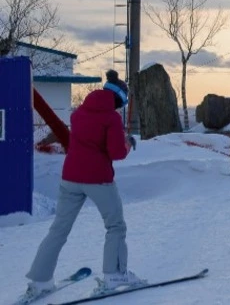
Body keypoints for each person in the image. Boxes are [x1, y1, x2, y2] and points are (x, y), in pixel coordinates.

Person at [18, 70, 143, 303]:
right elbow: (116, 152)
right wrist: (127, 144)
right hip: (98, 180)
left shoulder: (79, 113)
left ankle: (40, 281)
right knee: (115, 225)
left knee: (58, 229)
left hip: (70, 178)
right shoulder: (111, 118)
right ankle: (114, 275)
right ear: (119, 99)